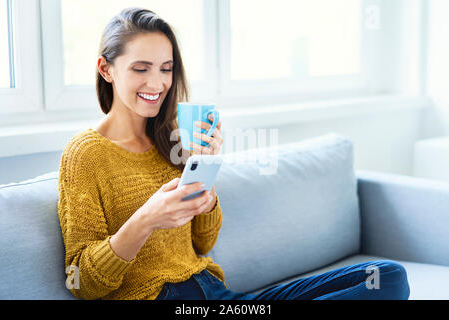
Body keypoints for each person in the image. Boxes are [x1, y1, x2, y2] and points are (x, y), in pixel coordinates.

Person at [58, 7, 410, 300]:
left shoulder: (172, 140)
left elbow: (204, 242)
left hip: (218, 296)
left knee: (386, 277)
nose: (157, 84)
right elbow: (80, 281)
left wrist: (205, 188)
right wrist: (145, 219)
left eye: (166, 69)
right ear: (106, 69)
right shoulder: (85, 156)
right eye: (140, 68)